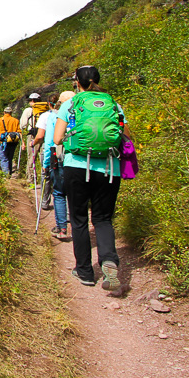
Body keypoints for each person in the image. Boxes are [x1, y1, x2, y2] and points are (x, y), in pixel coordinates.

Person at [53, 66, 133, 293]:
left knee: (78, 218)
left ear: (76, 82)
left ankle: (85, 271)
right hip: (109, 168)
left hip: (77, 166)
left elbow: (58, 139)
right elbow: (125, 136)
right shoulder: (113, 105)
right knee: (103, 218)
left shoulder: (70, 104)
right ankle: (109, 261)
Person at [32, 91, 73, 239]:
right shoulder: (82, 112)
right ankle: (73, 219)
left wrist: (46, 162)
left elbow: (50, 141)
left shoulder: (53, 116)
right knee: (74, 191)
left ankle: (62, 227)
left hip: (61, 156)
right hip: (81, 158)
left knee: (60, 192)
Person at [20, 93, 50, 183]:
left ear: (32, 101)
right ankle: (45, 178)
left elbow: (23, 125)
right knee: (43, 156)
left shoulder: (28, 110)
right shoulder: (46, 110)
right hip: (45, 134)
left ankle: (31, 179)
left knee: (32, 157)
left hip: (33, 135)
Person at [0, 106, 21, 177]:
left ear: (4, 112)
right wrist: (22, 141)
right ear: (11, 112)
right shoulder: (16, 120)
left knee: (3, 157)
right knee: (10, 157)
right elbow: (19, 131)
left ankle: (6, 174)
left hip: (3, 141)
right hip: (13, 141)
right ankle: (10, 171)